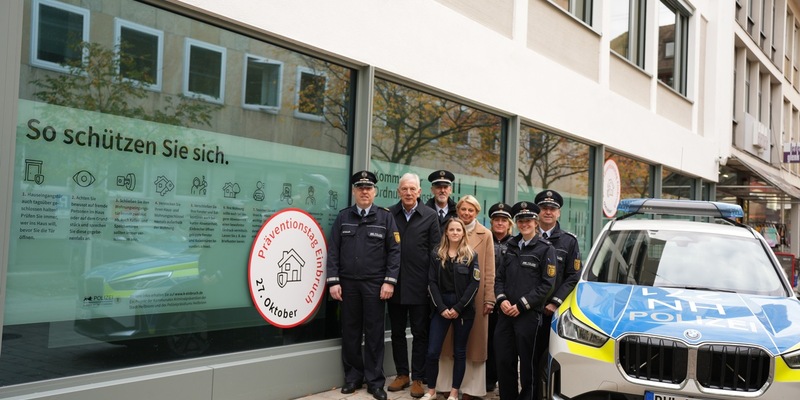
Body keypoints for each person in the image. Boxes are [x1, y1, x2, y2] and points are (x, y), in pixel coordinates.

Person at [326, 170, 401, 400]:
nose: (364, 192)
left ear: (375, 191)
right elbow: (333, 252)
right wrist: (333, 281)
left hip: (374, 285)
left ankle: (374, 382)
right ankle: (352, 377)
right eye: (360, 188)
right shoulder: (343, 217)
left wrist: (389, 282)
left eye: (368, 188)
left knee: (375, 334)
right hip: (347, 285)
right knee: (350, 332)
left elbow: (395, 252)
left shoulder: (385, 217)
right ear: (354, 191)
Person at [494, 201, 556, 400]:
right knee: (504, 361)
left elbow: (547, 285)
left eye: (528, 220)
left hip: (528, 316)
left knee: (527, 365)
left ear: (536, 222)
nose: (524, 224)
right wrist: (501, 299)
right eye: (520, 220)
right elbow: (499, 278)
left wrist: (521, 305)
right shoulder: (511, 246)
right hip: (505, 315)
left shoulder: (546, 249)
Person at [435, 195, 495, 400]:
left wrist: (489, 298)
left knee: (474, 344)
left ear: (477, 212)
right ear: (457, 210)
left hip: (474, 297)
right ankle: (445, 385)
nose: (466, 213)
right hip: (448, 296)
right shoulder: (449, 230)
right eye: (463, 209)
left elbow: (489, 269)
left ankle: (471, 389)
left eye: (471, 210)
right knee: (447, 344)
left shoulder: (485, 234)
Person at [387, 173, 441, 397]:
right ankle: (402, 374)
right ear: (398, 191)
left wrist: (432, 283)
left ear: (420, 192)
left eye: (413, 189)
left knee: (420, 333)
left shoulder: (429, 216)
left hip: (420, 286)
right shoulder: (389, 214)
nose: (408, 193)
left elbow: (436, 252)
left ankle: (418, 377)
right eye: (404, 189)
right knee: (397, 332)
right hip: (395, 284)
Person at [420, 218, 480, 400]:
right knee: (432, 351)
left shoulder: (471, 255)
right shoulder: (436, 254)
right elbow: (431, 282)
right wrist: (441, 308)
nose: (455, 232)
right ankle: (431, 390)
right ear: (446, 232)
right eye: (451, 230)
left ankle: (454, 392)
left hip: (463, 308)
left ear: (463, 233)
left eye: (458, 230)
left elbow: (474, 284)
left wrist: (459, 308)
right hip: (441, 307)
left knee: (459, 351)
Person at [531, 190, 582, 400]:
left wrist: (554, 302)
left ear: (558, 213)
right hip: (529, 309)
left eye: (552, 209)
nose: (548, 212)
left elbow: (573, 276)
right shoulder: (527, 237)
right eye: (544, 208)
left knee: (553, 358)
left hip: (553, 312)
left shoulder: (569, 242)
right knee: (530, 358)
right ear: (537, 212)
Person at [485, 202, 514, 393]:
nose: (500, 223)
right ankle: (487, 378)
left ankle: (498, 377)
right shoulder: (486, 239)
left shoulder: (515, 243)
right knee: (485, 341)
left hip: (506, 298)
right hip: (486, 296)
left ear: (509, 223)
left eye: (504, 220)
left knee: (501, 343)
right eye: (496, 220)